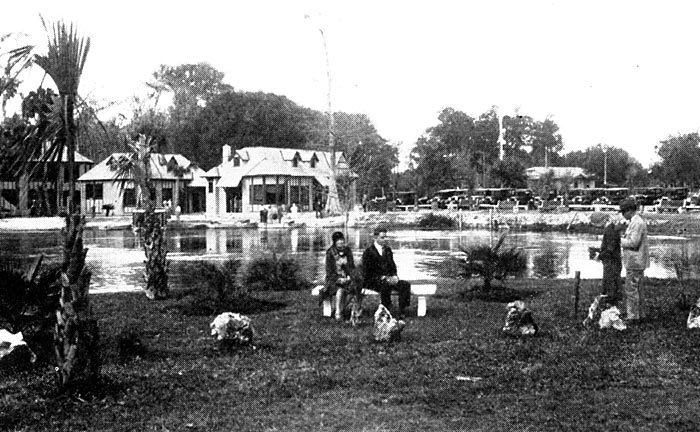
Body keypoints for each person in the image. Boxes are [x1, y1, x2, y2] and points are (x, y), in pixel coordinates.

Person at [362, 225, 411, 318]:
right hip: (373, 280)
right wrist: (382, 278)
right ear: (375, 238)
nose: (385, 239)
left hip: (388, 278)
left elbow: (392, 266)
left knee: (405, 285)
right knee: (386, 286)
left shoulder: (388, 250)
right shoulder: (368, 252)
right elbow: (367, 271)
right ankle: (386, 309)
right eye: (382, 237)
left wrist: (394, 276)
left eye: (385, 237)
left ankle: (402, 310)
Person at [619, 197, 649, 324]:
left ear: (629, 210)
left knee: (630, 289)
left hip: (634, 261)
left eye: (623, 211)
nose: (622, 214)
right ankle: (640, 314)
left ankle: (632, 317)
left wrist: (619, 240)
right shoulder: (636, 221)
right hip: (637, 261)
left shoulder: (636, 223)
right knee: (638, 289)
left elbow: (633, 242)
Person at [589, 212, 626, 305]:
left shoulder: (609, 230)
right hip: (614, 261)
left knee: (611, 284)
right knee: (613, 283)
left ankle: (611, 306)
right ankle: (615, 305)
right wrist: (599, 250)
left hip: (611, 262)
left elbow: (610, 249)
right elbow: (610, 246)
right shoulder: (612, 228)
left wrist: (599, 255)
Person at [324, 231, 355, 320]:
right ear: (334, 242)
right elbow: (329, 271)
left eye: (342, 240)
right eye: (338, 240)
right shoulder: (330, 253)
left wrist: (349, 276)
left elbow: (352, 266)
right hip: (333, 279)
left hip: (347, 278)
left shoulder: (348, 251)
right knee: (340, 289)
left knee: (355, 288)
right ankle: (338, 313)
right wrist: (339, 279)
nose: (341, 242)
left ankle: (341, 309)